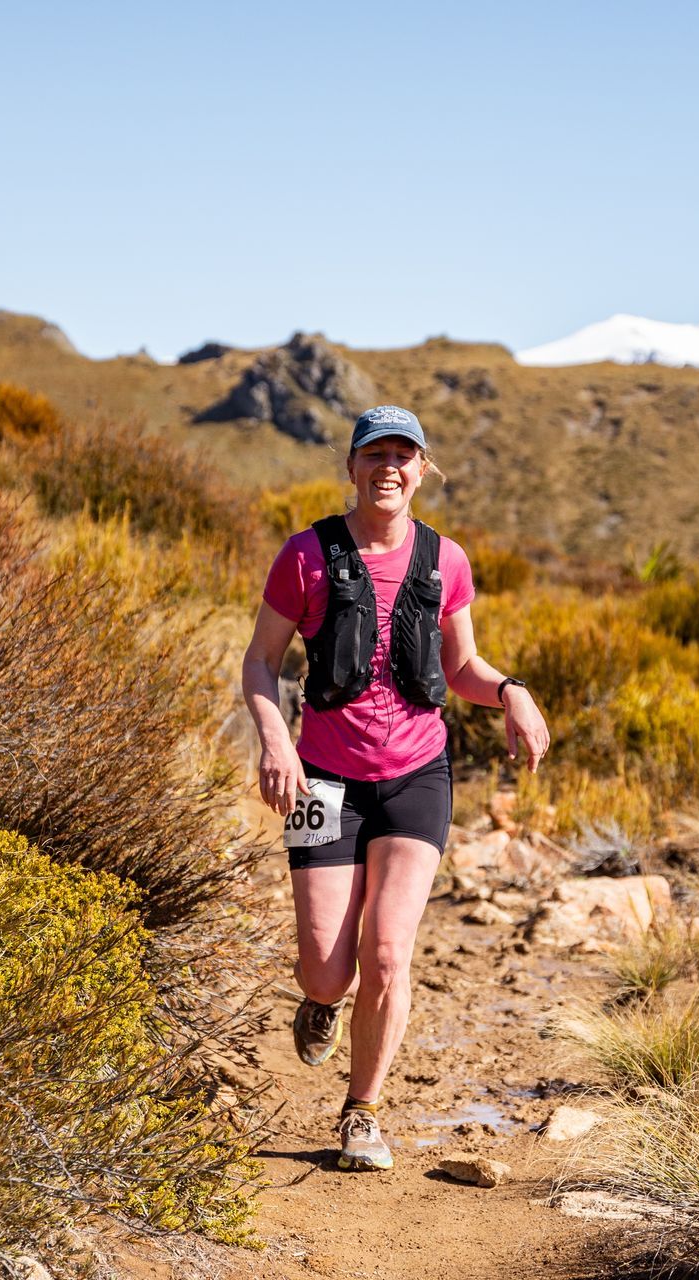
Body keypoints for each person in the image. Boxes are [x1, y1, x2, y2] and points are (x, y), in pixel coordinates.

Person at [241, 404, 550, 1172]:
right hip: (322, 781)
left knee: (386, 954)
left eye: (403, 455)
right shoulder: (307, 555)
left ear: (422, 469)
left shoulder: (447, 562)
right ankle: (319, 1002)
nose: (389, 468)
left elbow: (462, 667)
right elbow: (260, 662)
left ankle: (362, 1112)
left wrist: (510, 690)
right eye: (374, 454)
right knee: (327, 965)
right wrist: (276, 740)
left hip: (418, 777)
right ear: (352, 467)